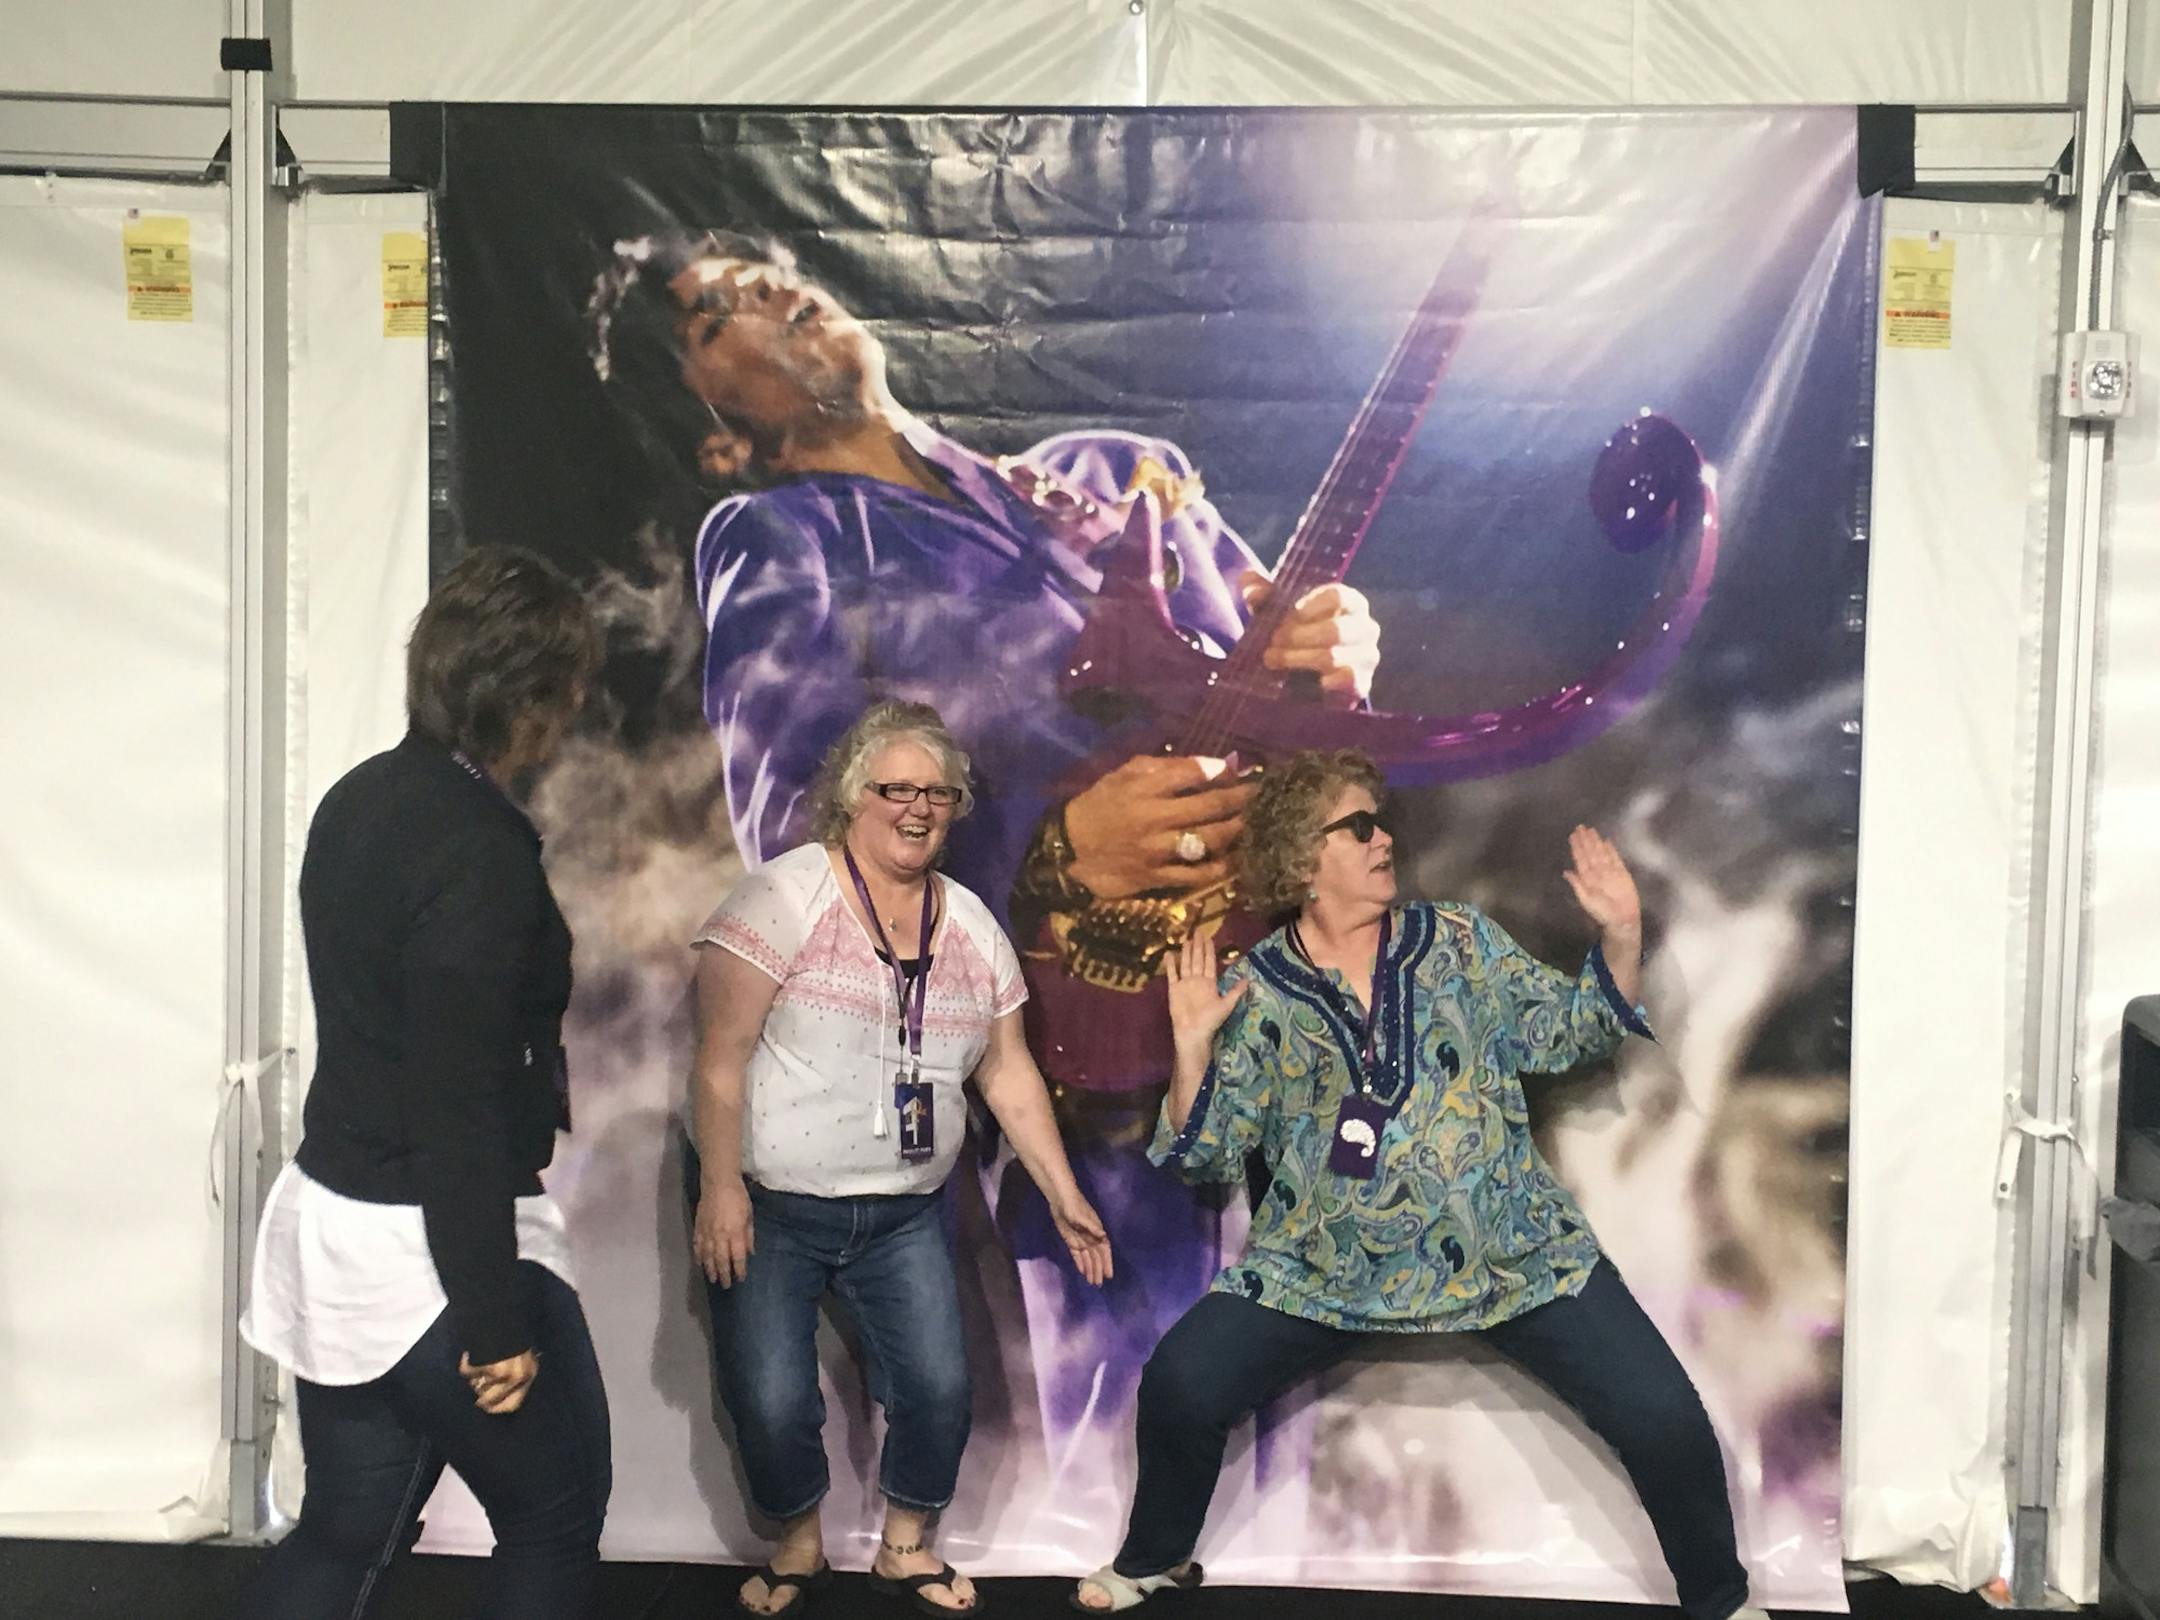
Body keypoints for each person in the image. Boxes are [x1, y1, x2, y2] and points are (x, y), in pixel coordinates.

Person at [589, 231, 1381, 1470]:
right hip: (1087, 1079)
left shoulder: (1113, 474)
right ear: (714, 435)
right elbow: (801, 831)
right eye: (716, 316)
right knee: (1154, 1452)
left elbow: (1274, 673)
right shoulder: (785, 540)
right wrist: (1054, 849)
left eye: (765, 266)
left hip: (1267, 1017)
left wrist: (1329, 651)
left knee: (1299, 1454)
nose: (771, 291)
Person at [1070, 749, 1769, 1620]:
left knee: (1664, 1418)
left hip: (1514, 1255)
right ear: (1301, 859)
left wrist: (1620, 939)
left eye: (1382, 820)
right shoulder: (1254, 991)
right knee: (1181, 1383)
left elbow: (1571, 1034)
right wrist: (1192, 1054)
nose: (1383, 838)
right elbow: (1206, 1155)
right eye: (1357, 825)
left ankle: (1721, 1598)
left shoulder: (1459, 941)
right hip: (1318, 1271)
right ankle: (1155, 1559)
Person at [239, 547, 611, 1620]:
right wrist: (495, 1323)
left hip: (331, 1216)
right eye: (571, 682)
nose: (581, 704)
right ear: (527, 695)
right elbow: (454, 1103)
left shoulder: (360, 798)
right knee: (550, 1523)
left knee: (346, 1530)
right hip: (435, 1251)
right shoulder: (478, 849)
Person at [686, 700, 1116, 1618]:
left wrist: (1065, 1193)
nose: (918, 808)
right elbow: (718, 1060)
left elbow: (1009, 1074)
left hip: (907, 1209)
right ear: (852, 796)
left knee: (939, 1390)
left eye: (939, 793)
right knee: (768, 1400)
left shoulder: (972, 929)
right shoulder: (781, 897)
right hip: (773, 1203)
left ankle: (904, 1546)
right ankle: (797, 1544)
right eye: (897, 789)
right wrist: (721, 1186)